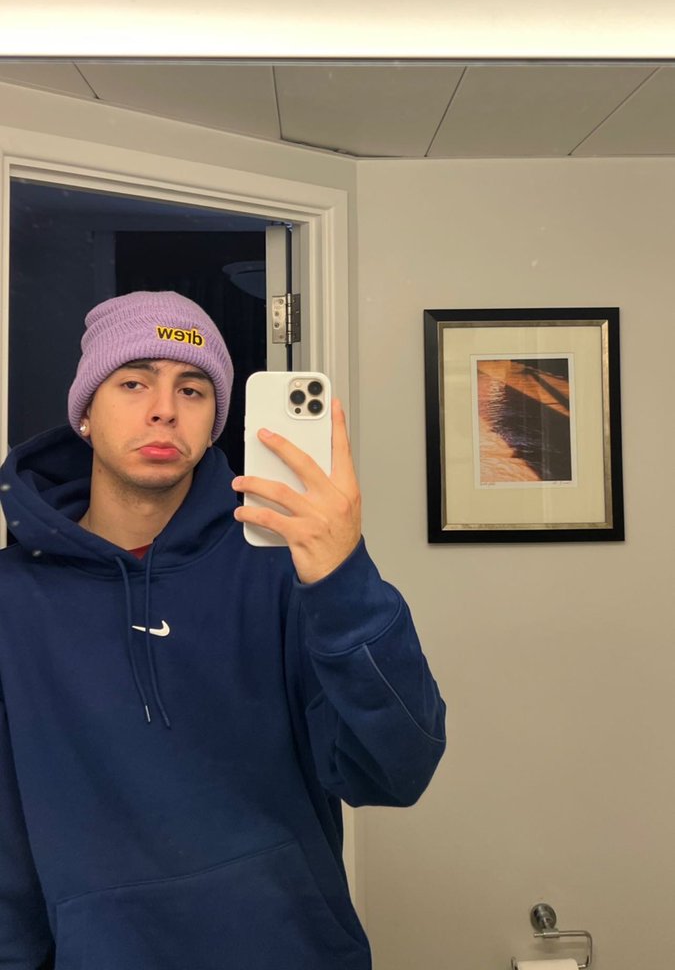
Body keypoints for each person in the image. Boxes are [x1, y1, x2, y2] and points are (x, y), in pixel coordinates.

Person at [0, 290, 446, 970]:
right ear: (84, 412)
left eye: (192, 389)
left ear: (215, 423)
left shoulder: (284, 571)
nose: (164, 409)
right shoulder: (13, 598)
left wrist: (343, 578)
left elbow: (395, 772)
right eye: (133, 383)